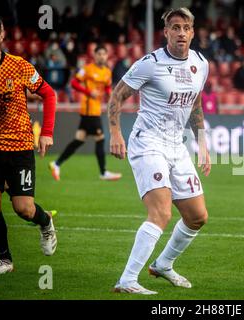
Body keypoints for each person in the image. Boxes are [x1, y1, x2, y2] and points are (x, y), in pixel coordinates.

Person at [108, 7, 211, 295]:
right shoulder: (149, 63)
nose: (180, 32)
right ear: (165, 32)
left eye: (185, 28)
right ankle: (127, 280)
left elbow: (196, 104)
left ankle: (163, 264)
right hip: (148, 141)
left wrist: (202, 143)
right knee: (161, 214)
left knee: (197, 216)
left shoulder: (201, 64)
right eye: (174, 27)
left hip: (177, 145)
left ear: (192, 32)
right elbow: (117, 96)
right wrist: (116, 132)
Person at [0, 14, 58, 274]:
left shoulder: (18, 66)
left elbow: (48, 93)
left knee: (23, 208)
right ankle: (5, 260)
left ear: (2, 36)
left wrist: (47, 132)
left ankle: (45, 222)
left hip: (19, 145)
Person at [49, 46, 121, 181]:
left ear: (107, 56)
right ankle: (103, 172)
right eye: (99, 54)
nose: (102, 56)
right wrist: (88, 92)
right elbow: (74, 83)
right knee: (100, 138)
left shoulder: (107, 72)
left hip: (96, 110)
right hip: (88, 110)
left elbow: (106, 87)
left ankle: (56, 164)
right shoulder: (87, 69)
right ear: (95, 55)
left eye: (104, 54)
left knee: (79, 140)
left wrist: (110, 95)